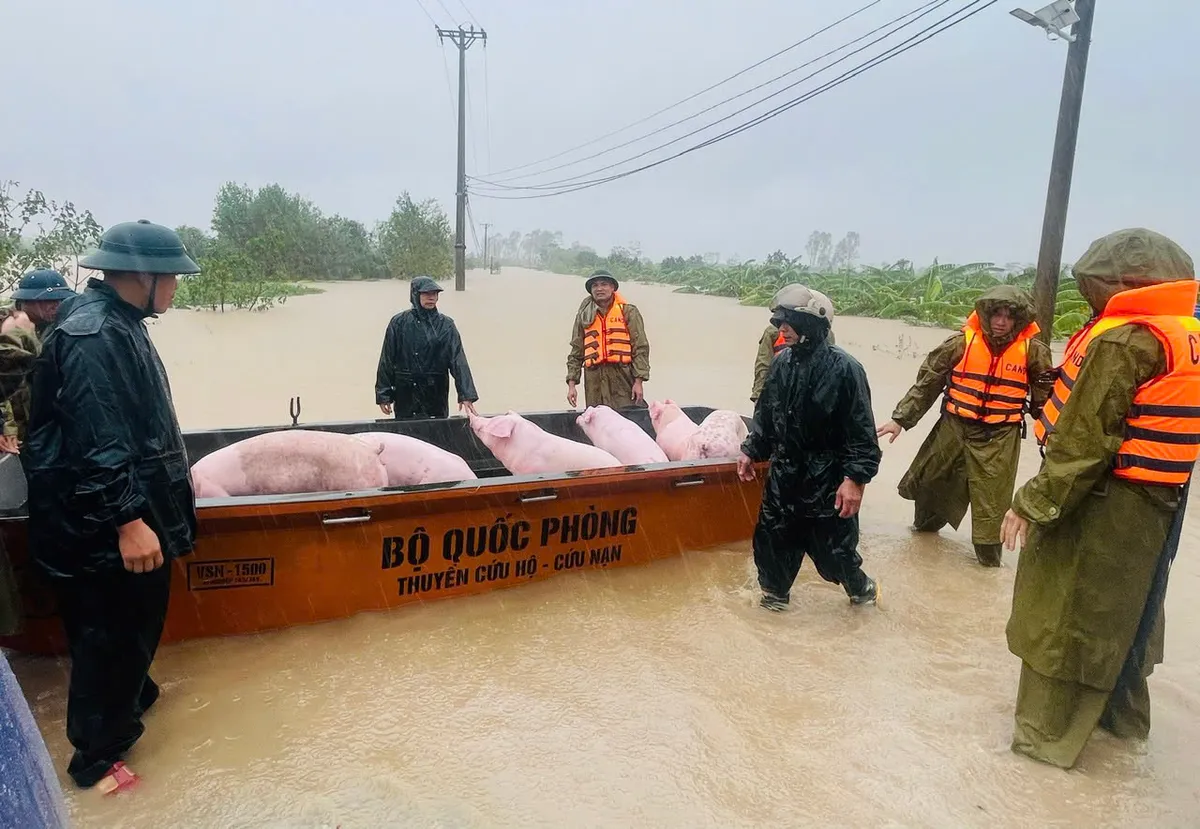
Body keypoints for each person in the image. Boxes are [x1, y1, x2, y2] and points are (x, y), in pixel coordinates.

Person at [999, 228, 1199, 770]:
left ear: (1122, 284)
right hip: (1161, 504)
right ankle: (1123, 730)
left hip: (1104, 500)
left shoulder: (1125, 341)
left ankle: (1044, 745)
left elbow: (1084, 442)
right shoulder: (1187, 334)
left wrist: (1030, 502)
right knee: (1130, 611)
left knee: (1065, 613)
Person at [22, 219, 202, 794]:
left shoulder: (117, 322)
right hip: (102, 524)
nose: (176, 286)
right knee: (109, 635)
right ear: (142, 278)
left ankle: (133, 699)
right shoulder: (94, 336)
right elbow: (98, 440)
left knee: (124, 628)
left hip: (114, 511)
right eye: (171, 277)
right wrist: (128, 520)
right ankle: (97, 761)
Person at [874, 286, 1052, 567]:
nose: (1001, 321)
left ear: (1018, 320)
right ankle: (922, 544)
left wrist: (1051, 438)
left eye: (1008, 316)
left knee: (992, 503)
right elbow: (927, 384)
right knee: (931, 483)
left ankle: (989, 564)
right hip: (954, 426)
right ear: (986, 315)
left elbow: (1046, 401)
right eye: (996, 314)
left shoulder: (1034, 352)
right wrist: (900, 420)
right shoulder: (958, 344)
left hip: (1000, 435)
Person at [735, 285, 881, 610]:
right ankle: (773, 608)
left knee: (835, 555)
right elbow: (766, 415)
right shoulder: (781, 363)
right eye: (779, 322)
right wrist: (751, 449)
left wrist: (855, 480)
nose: (782, 329)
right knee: (771, 547)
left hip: (827, 480)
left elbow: (862, 434)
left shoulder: (846, 370)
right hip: (784, 476)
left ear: (812, 324)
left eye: (788, 322)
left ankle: (864, 593)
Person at [375, 276, 479, 420]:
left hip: (435, 392)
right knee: (406, 431)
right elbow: (387, 360)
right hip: (406, 393)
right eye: (426, 294)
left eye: (434, 294)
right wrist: (384, 395)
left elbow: (458, 360)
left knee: (436, 429)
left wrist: (466, 394)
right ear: (415, 295)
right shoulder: (398, 323)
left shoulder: (446, 325)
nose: (431, 297)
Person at [0, 269, 76, 455]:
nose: (56, 305)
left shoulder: (50, 325)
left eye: (60, 300)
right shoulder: (9, 324)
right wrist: (7, 427)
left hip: (34, 421)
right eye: (48, 300)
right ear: (27, 301)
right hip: (13, 422)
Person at [566, 269, 651, 410]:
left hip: (622, 377)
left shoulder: (629, 312)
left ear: (612, 288)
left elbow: (640, 347)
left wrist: (639, 382)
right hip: (594, 381)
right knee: (599, 418)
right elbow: (576, 352)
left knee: (628, 416)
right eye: (595, 286)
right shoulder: (583, 316)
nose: (599, 289)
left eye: (604, 284)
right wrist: (572, 385)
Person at [751, 284, 836, 403]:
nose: (783, 329)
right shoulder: (773, 333)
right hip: (780, 393)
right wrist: (759, 397)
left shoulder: (842, 364)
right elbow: (763, 365)